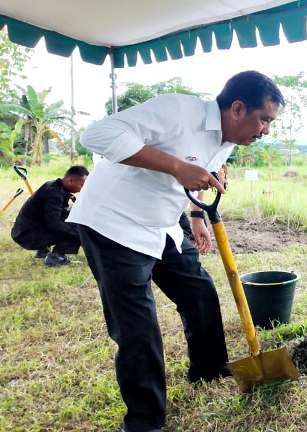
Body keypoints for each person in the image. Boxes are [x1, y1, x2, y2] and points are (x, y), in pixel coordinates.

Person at [67, 70, 283, 432]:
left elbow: (201, 176)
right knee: (137, 327)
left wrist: (197, 216)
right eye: (263, 119)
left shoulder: (228, 139)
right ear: (237, 108)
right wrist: (177, 166)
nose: (265, 130)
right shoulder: (178, 112)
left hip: (164, 224)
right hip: (113, 225)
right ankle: (145, 422)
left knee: (199, 293)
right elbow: (97, 135)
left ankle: (209, 370)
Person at [11, 165, 89, 266]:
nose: (82, 189)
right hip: (27, 235)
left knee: (72, 219)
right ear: (71, 181)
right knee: (77, 228)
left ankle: (42, 251)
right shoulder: (55, 194)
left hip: (22, 231)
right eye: (82, 185)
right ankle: (56, 257)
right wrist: (79, 236)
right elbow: (54, 224)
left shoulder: (55, 186)